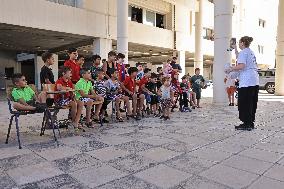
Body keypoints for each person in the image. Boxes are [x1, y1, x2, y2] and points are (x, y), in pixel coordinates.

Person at [227, 36, 259, 131]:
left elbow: (242, 65)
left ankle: (246, 123)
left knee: (244, 103)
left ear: (242, 43)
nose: (238, 44)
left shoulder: (243, 52)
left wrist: (231, 68)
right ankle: (250, 123)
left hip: (246, 82)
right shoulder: (250, 52)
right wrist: (235, 49)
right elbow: (240, 57)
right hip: (254, 80)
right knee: (251, 103)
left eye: (239, 43)